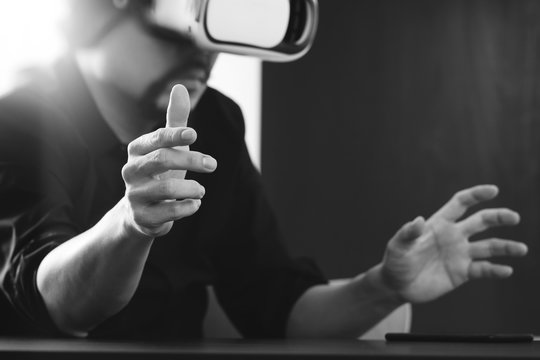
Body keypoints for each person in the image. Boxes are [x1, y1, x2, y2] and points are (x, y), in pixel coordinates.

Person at [0, 0, 528, 339]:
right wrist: (133, 222)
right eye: (175, 36)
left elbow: (276, 308)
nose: (202, 60)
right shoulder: (26, 117)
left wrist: (384, 286)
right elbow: (59, 306)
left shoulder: (216, 123)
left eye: (213, 42)